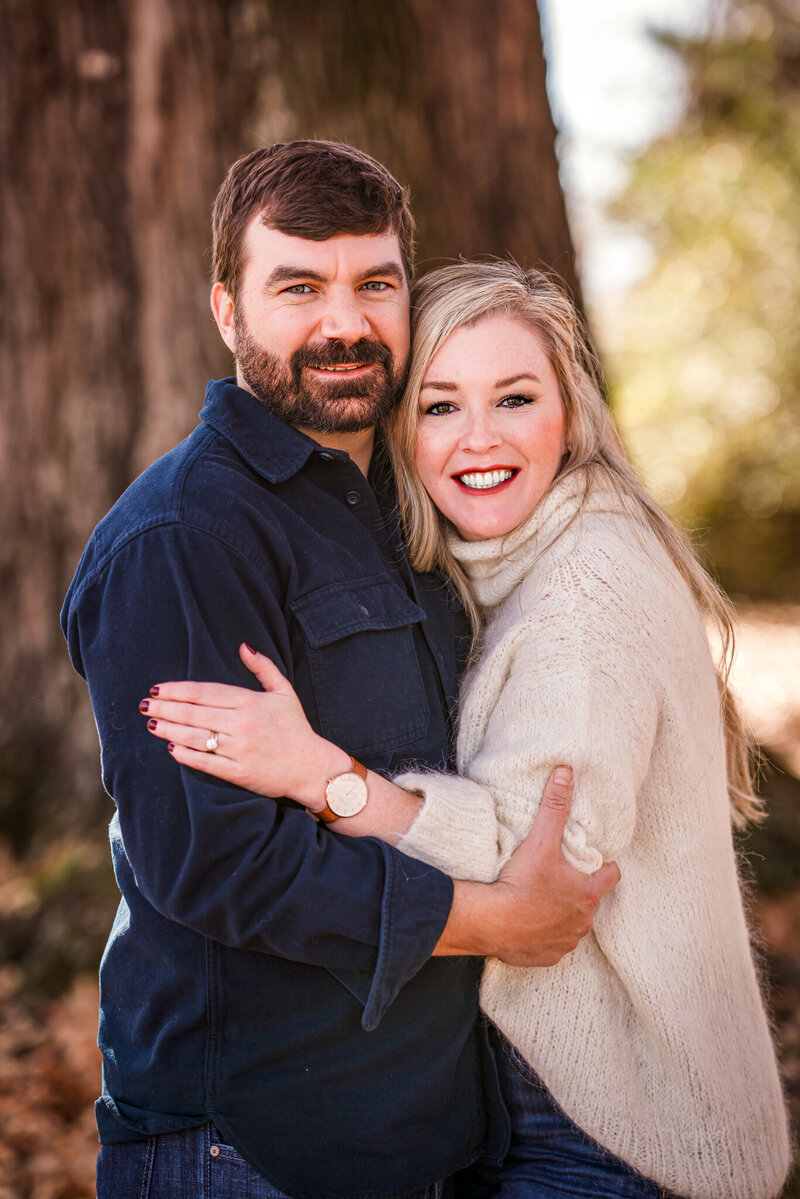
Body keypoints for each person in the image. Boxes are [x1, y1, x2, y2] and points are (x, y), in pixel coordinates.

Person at [146, 261, 791, 1199]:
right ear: (403, 431)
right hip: (560, 1093)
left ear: (570, 414)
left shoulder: (587, 589)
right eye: (442, 406)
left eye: (515, 398)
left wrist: (323, 775)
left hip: (616, 1125)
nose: (478, 438)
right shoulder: (506, 564)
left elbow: (538, 860)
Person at [61, 143, 620, 1199]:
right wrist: (493, 917)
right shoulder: (182, 538)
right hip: (251, 1144)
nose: (344, 324)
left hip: (420, 1132)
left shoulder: (417, 508)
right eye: (298, 288)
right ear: (226, 308)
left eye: (374, 283)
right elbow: (214, 863)